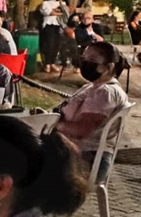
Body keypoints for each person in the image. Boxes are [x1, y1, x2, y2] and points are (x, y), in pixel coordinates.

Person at [51, 42, 130, 183]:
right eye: (84, 58)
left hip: (86, 160)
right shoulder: (92, 87)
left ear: (109, 67)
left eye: (92, 60)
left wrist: (53, 124)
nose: (85, 63)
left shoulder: (106, 93)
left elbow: (81, 130)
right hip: (74, 153)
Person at [39, 0, 65, 72]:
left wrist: (56, 11)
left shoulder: (61, 3)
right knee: (49, 44)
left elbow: (65, 12)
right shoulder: (45, 3)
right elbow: (50, 13)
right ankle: (47, 64)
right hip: (49, 25)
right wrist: (58, 12)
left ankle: (53, 63)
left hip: (58, 25)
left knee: (56, 45)